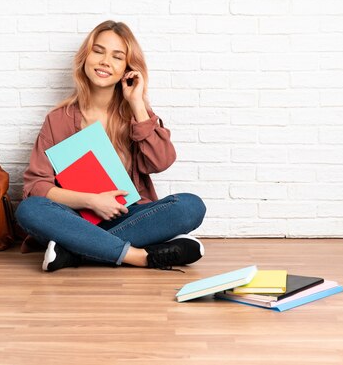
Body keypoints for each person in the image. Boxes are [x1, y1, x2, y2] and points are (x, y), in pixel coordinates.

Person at [15, 20, 207, 272]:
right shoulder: (58, 119)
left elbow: (161, 161)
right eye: (98, 51)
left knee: (191, 206)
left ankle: (73, 252)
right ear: (85, 57)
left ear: (127, 68)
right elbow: (37, 187)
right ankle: (140, 256)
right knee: (30, 210)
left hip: (130, 217)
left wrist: (137, 103)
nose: (105, 61)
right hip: (73, 219)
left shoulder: (136, 114)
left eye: (117, 57)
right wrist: (92, 202)